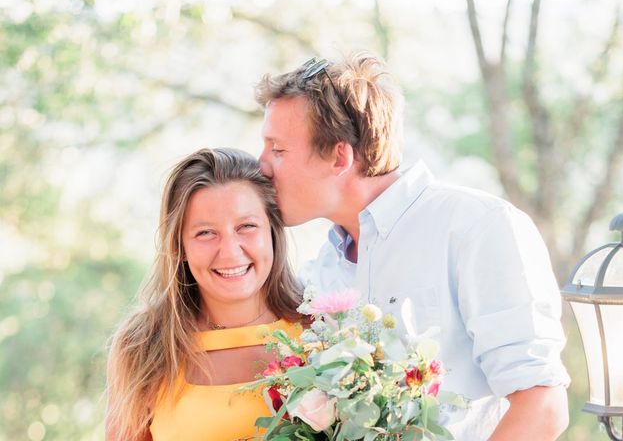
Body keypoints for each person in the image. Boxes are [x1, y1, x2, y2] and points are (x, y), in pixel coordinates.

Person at [255, 53, 571, 440]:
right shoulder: (321, 270)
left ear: (339, 156)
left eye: (278, 149)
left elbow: (541, 407)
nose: (262, 166)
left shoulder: (478, 228)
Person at [106, 148, 303, 441]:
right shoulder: (144, 344)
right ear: (180, 247)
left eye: (246, 226)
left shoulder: (323, 332)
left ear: (272, 232)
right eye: (205, 233)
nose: (230, 251)